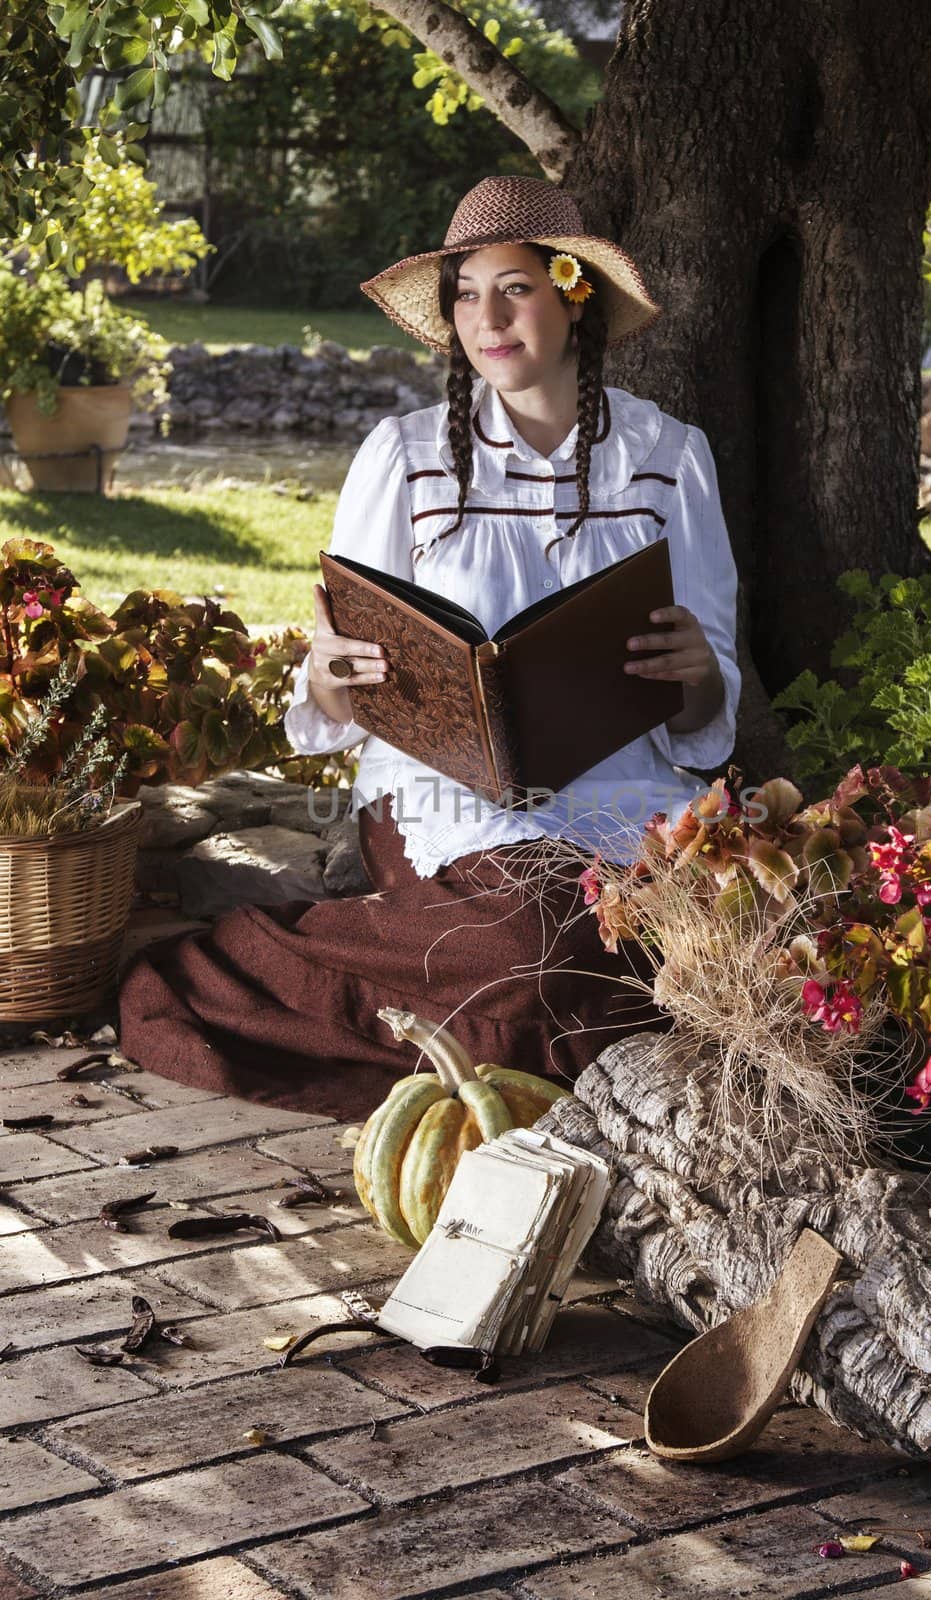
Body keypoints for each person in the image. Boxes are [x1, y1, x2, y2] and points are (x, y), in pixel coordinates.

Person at [118, 176, 741, 1122]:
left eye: (515, 288)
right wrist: (328, 683)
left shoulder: (668, 456)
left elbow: (705, 711)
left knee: (645, 951)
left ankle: (484, 1041)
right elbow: (334, 693)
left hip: (623, 794)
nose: (484, 317)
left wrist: (697, 678)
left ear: (574, 296)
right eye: (463, 293)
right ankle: (249, 968)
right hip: (442, 802)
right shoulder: (404, 456)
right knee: (538, 951)